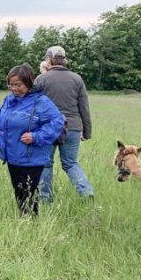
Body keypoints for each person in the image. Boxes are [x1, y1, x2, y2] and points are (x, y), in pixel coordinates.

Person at [0, 64, 65, 216]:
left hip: (31, 157)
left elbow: (58, 122)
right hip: (12, 155)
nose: (14, 89)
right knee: (19, 191)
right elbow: (0, 115)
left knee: (29, 194)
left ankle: (31, 223)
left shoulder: (41, 102)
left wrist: (36, 136)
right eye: (10, 85)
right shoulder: (9, 99)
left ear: (28, 82)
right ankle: (23, 220)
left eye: (18, 85)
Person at [34, 45, 95, 202]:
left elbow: (33, 107)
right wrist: (87, 132)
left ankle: (45, 199)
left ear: (48, 60)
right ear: (64, 60)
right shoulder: (77, 79)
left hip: (47, 128)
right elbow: (84, 108)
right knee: (70, 163)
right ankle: (86, 192)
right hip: (73, 127)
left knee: (46, 164)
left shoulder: (41, 80)